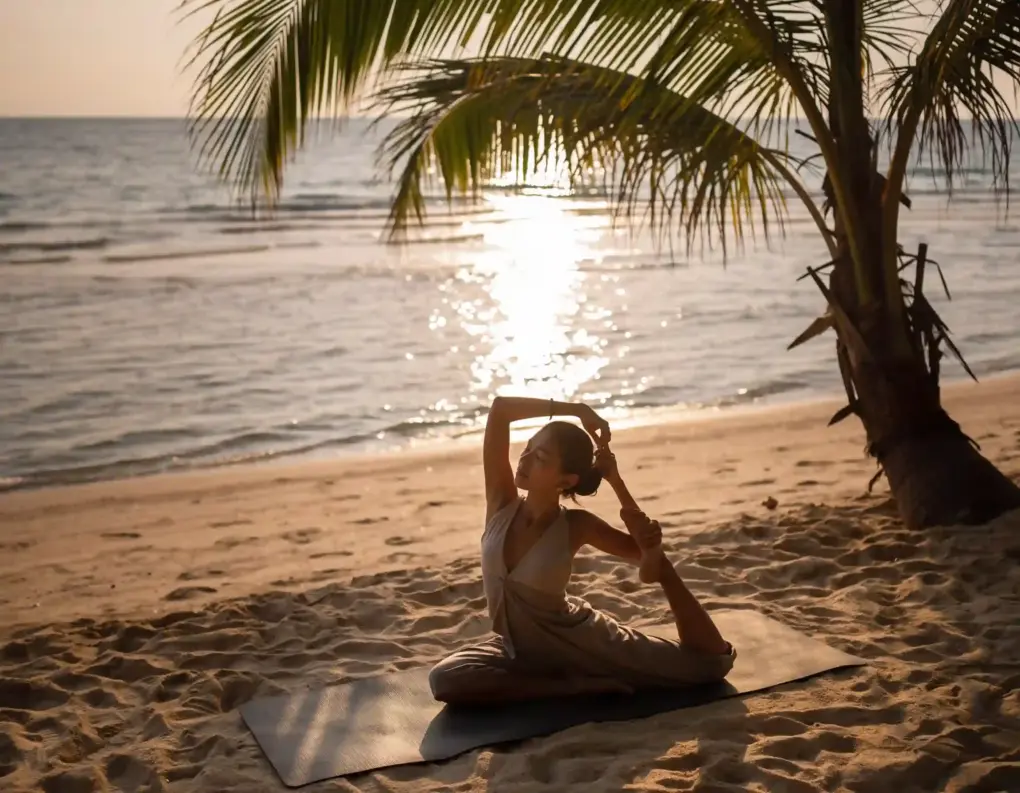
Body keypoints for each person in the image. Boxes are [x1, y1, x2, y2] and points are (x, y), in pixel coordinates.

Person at [428, 395, 735, 705]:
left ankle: (572, 679)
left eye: (541, 458)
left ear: (566, 480)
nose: (524, 460)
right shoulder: (500, 504)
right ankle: (572, 687)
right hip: (516, 650)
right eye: (527, 449)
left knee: (709, 665)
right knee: (444, 679)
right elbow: (500, 410)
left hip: (582, 645)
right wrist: (577, 410)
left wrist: (617, 483)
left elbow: (651, 561)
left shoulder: (577, 525)